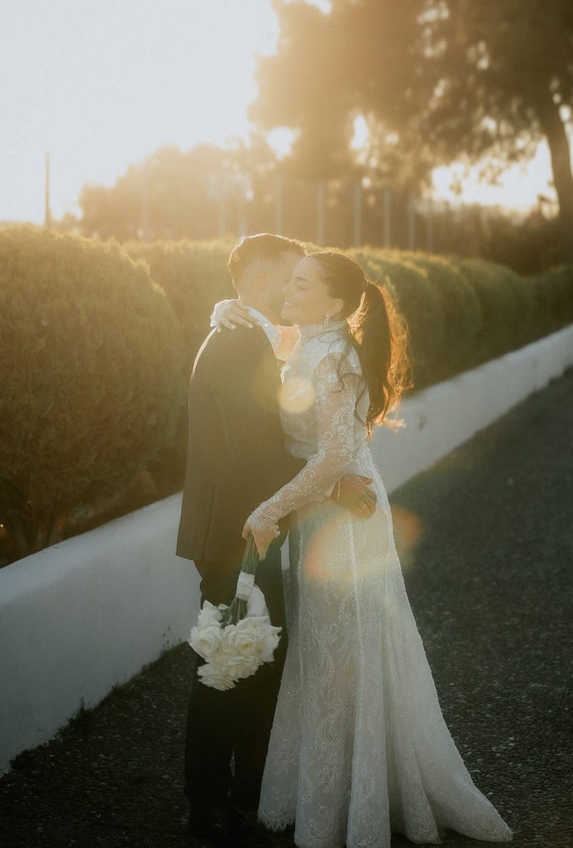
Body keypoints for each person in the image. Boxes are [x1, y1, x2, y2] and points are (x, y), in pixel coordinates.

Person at [232, 250, 513, 847]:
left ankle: (352, 806)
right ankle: (345, 794)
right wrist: (227, 308)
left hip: (347, 521)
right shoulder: (311, 341)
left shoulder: (331, 356)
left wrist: (266, 510)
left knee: (342, 658)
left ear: (333, 304)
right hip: (329, 511)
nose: (288, 288)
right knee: (332, 654)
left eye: (301, 283)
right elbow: (280, 339)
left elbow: (333, 454)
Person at [176, 234, 377, 845]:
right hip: (237, 530)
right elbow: (252, 449)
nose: (294, 288)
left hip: (254, 525)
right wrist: (328, 482)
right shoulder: (236, 343)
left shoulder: (252, 334)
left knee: (257, 660)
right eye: (289, 277)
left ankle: (244, 791)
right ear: (261, 279)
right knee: (230, 664)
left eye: (304, 282)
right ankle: (209, 804)